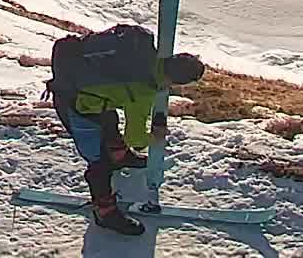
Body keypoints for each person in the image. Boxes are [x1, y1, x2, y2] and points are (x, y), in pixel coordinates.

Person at [46, 24, 206, 235]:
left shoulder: (145, 52)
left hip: (91, 96)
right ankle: (105, 213)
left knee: (109, 119)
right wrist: (154, 137)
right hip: (73, 104)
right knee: (99, 162)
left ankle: (120, 157)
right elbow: (136, 138)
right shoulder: (143, 90)